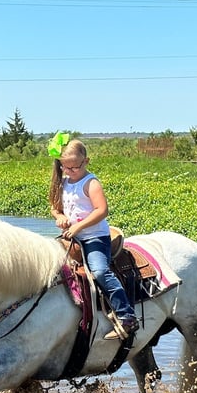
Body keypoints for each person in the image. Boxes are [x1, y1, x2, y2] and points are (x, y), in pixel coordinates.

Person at [48, 136, 139, 341]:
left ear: (86, 161)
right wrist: (60, 217)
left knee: (99, 271)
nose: (70, 171)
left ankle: (127, 316)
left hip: (94, 237)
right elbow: (55, 207)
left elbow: (102, 210)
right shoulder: (63, 182)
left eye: (75, 168)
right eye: (65, 168)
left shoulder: (91, 182)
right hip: (71, 238)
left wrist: (78, 226)